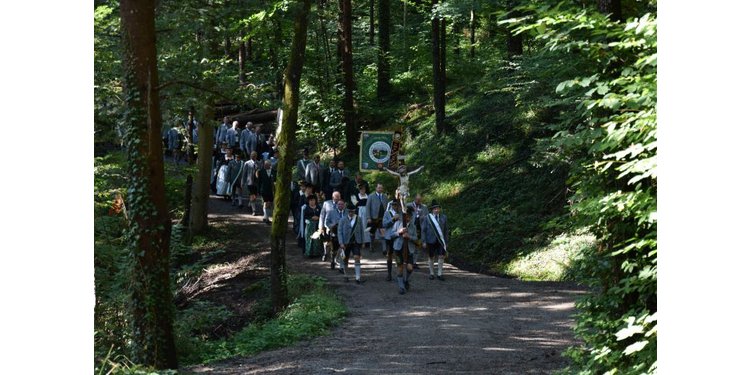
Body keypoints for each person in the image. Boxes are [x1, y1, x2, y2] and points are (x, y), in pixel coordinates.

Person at [337, 203, 366, 284]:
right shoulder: (342, 220)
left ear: (354, 211)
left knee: (357, 258)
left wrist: (363, 241)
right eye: (349, 211)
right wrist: (341, 243)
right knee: (345, 259)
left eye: (352, 212)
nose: (351, 213)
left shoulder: (358, 219)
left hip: (356, 242)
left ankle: (358, 277)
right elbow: (339, 232)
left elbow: (362, 230)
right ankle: (346, 276)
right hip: (346, 243)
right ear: (347, 211)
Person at [421, 199, 449, 281]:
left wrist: (446, 242)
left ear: (440, 209)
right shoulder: (427, 218)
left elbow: (446, 230)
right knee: (431, 256)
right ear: (432, 210)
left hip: (441, 241)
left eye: (438, 208)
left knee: (441, 256)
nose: (437, 210)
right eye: (435, 208)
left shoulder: (444, 217)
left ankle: (440, 273)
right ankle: (431, 273)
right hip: (430, 240)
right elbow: (423, 230)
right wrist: (423, 241)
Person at [393, 207, 418, 294]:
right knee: (400, 268)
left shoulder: (413, 226)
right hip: (398, 249)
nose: (407, 218)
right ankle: (401, 287)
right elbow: (391, 235)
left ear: (410, 217)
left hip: (409, 249)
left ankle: (405, 280)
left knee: (410, 268)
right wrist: (399, 232)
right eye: (405, 216)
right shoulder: (397, 224)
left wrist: (409, 237)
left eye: (408, 216)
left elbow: (416, 238)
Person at [381, 197, 403, 282]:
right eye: (394, 205)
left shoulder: (402, 214)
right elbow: (384, 224)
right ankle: (389, 274)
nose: (396, 207)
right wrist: (393, 219)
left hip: (398, 237)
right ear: (392, 205)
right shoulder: (387, 213)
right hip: (389, 237)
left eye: (397, 205)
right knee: (389, 255)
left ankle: (399, 274)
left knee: (398, 255)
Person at [406, 193, 429, 269]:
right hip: (411, 228)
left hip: (420, 228)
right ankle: (408, 261)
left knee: (418, 245)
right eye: (417, 200)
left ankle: (414, 262)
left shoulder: (424, 207)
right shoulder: (408, 205)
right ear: (414, 199)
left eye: (420, 200)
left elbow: (427, 217)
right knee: (410, 245)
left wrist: (423, 217)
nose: (419, 201)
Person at [324, 198, 346, 271]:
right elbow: (327, 222)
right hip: (334, 233)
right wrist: (332, 225)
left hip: (345, 234)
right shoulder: (331, 212)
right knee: (334, 250)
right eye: (339, 204)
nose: (340, 205)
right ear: (336, 205)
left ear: (344, 205)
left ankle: (342, 266)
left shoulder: (347, 212)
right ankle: (332, 260)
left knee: (343, 249)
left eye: (342, 204)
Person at [366, 183, 388, 255]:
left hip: (383, 217)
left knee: (383, 233)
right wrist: (368, 217)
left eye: (381, 188)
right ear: (376, 188)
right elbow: (368, 207)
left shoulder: (385, 196)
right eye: (379, 188)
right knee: (372, 233)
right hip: (373, 218)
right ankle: (371, 246)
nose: (380, 189)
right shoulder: (371, 196)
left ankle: (384, 249)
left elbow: (387, 208)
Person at [351, 184, 371, 251]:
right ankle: (361, 241)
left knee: (366, 226)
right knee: (360, 226)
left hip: (367, 211)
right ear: (359, 190)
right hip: (359, 212)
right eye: (361, 189)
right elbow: (355, 204)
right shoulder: (356, 196)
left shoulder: (368, 196)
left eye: (364, 189)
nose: (363, 190)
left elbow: (369, 204)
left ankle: (367, 241)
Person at [256, 159, 276, 224]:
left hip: (271, 190)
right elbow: (258, 182)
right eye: (264, 164)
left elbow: (275, 181)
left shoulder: (274, 171)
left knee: (269, 203)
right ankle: (266, 218)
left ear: (270, 165)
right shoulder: (261, 172)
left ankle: (265, 217)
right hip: (263, 190)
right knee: (266, 203)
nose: (265, 166)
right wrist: (258, 190)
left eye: (266, 165)